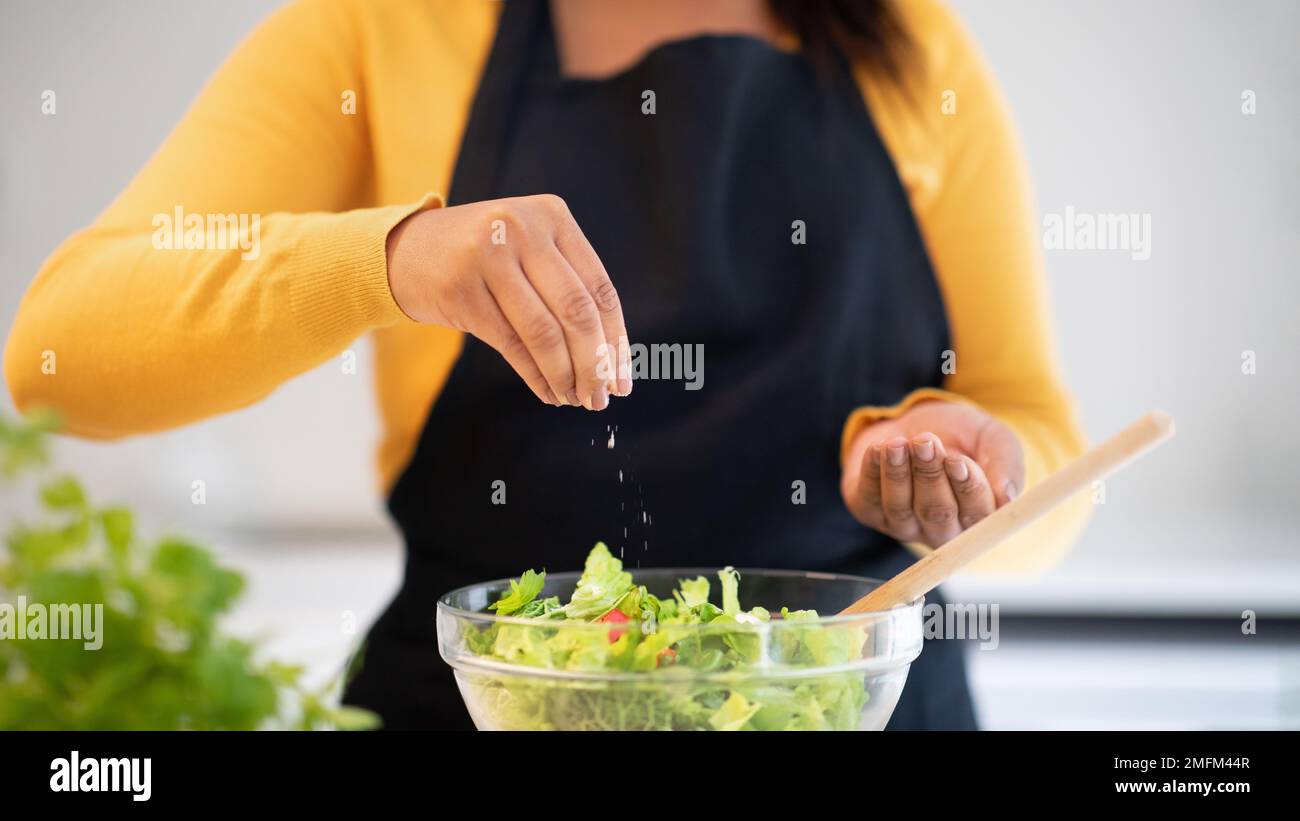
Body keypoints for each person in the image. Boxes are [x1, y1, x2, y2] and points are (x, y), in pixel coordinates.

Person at [4, 0, 1090, 729]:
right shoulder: (385, 26)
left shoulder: (908, 43)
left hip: (855, 704)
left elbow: (1030, 430)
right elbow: (61, 350)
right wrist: (386, 258)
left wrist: (976, 472)